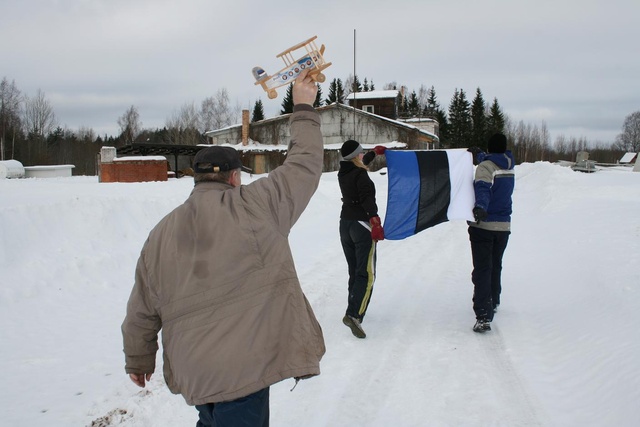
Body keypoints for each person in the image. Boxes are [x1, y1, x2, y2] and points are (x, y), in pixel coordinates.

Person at [121, 69, 326, 426]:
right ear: (234, 177)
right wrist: (304, 106)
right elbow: (304, 164)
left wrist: (138, 360)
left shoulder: (159, 235)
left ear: (197, 177)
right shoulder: (256, 205)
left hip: (195, 371)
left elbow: (141, 308)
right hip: (243, 369)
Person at [467, 133, 515, 333]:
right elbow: (491, 166)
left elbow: (483, 188)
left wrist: (480, 207)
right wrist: (480, 155)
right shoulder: (509, 164)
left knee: (482, 270)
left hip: (484, 226)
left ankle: (483, 316)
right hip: (503, 227)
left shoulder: (485, 168)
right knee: (496, 265)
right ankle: (493, 300)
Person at [337, 141, 386, 339]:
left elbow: (361, 162)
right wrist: (375, 222)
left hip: (345, 225)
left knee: (354, 270)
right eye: (361, 152)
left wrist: (374, 153)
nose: (362, 154)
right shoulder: (361, 175)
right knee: (366, 273)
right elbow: (367, 200)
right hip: (361, 226)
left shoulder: (344, 171)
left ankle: (353, 305)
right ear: (355, 156)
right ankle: (354, 315)